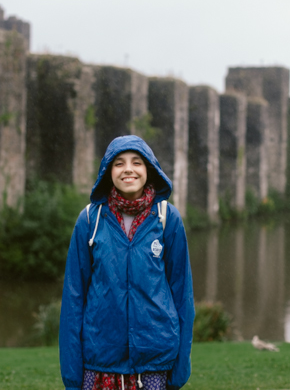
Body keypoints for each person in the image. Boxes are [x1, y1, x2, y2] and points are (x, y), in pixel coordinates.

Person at [59, 135, 195, 390]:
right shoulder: (90, 220)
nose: (128, 169)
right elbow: (73, 299)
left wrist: (180, 367)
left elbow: (182, 296)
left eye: (137, 162)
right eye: (119, 163)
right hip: (100, 362)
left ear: (149, 169)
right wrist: (71, 373)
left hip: (154, 363)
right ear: (108, 171)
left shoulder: (167, 218)